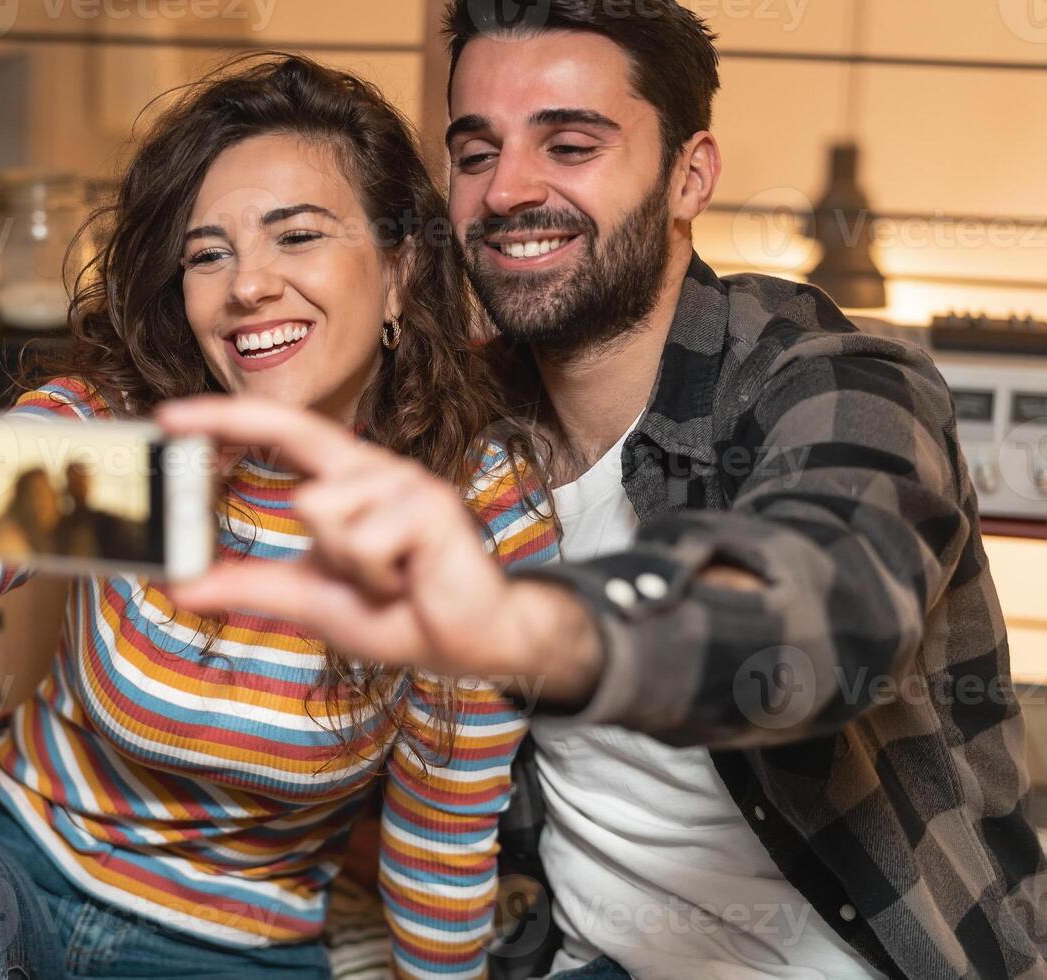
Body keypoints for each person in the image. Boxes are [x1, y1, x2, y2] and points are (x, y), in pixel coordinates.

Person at [159, 4, 1047, 979]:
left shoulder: (834, 375)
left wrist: (526, 627)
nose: (508, 190)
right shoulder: (456, 422)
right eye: (475, 152)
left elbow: (824, 615)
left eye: (570, 143)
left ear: (689, 174)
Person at [0, 56, 558, 980]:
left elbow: (439, 830)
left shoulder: (473, 517)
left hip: (238, 950)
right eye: (208, 253)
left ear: (398, 271)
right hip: (9, 863)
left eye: (296, 236)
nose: (246, 285)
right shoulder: (134, 438)